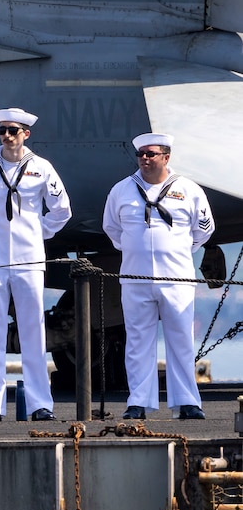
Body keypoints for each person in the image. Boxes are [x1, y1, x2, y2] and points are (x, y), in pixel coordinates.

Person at [0, 108, 72, 422]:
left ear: (26, 134)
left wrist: (37, 232)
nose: (6, 136)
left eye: (12, 130)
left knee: (33, 331)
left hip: (30, 260)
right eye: (1, 130)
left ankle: (39, 404)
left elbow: (62, 210)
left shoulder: (41, 168)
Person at [102, 133, 213, 420]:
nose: (145, 159)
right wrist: (135, 249)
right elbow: (113, 229)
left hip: (177, 279)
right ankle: (138, 401)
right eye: (141, 154)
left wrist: (175, 251)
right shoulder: (122, 190)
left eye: (151, 154)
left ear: (166, 157)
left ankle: (187, 402)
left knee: (181, 341)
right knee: (138, 342)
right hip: (135, 278)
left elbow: (203, 230)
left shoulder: (189, 190)